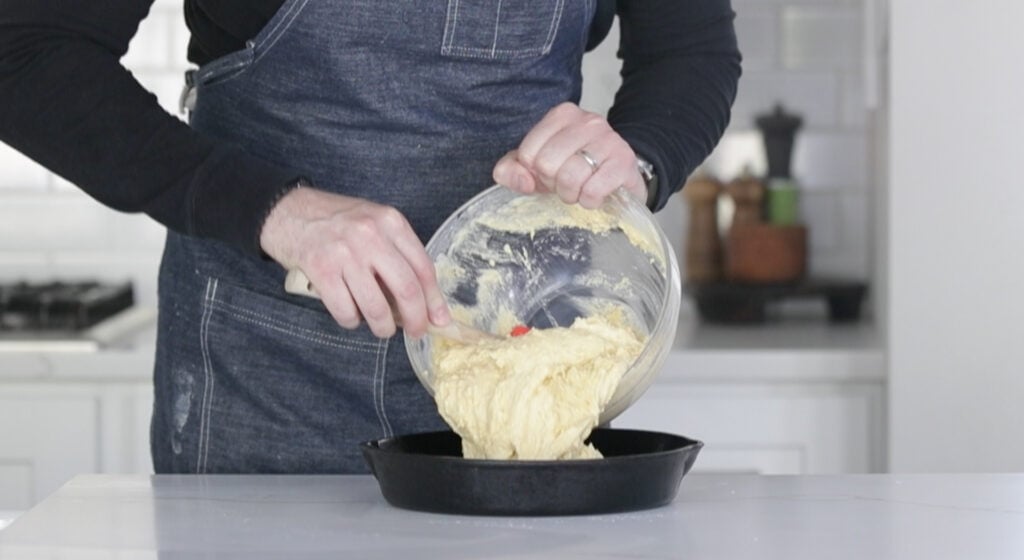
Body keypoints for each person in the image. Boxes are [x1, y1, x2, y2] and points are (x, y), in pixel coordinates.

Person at [0, 1, 741, 474]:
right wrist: (279, 212)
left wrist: (631, 158)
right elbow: (24, 51)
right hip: (264, 379)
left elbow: (692, 54)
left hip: (521, 371)